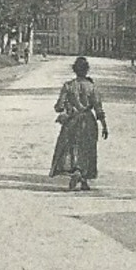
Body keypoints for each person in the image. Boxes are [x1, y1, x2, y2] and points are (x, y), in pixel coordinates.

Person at [51, 56, 108, 190]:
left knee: (72, 147)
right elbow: (98, 109)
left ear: (74, 70)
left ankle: (77, 173)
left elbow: (58, 107)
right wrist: (104, 126)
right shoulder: (92, 87)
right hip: (88, 120)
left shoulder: (68, 86)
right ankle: (83, 176)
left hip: (72, 120)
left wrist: (67, 107)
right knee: (87, 148)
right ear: (86, 70)